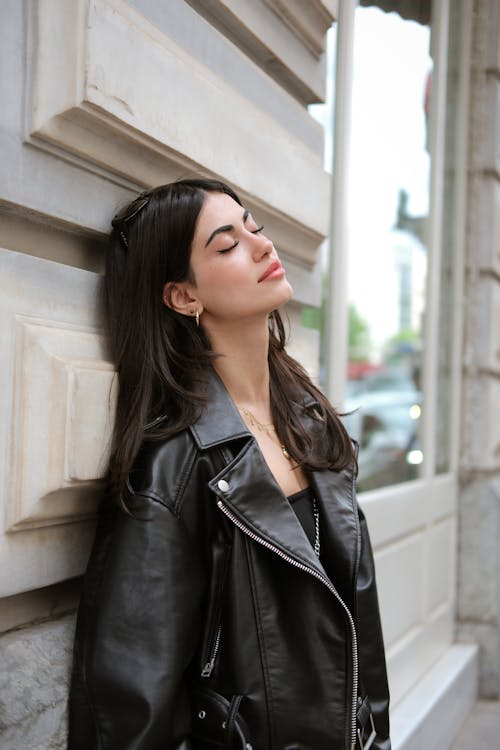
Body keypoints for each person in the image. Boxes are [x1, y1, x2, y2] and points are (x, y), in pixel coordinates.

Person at [68, 178, 390, 750]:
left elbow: (360, 628)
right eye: (227, 244)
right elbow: (135, 707)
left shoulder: (310, 422)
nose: (263, 246)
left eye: (253, 228)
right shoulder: (171, 468)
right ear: (182, 296)